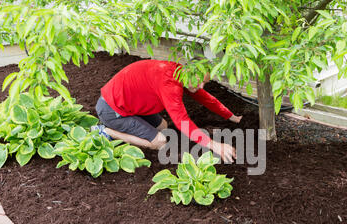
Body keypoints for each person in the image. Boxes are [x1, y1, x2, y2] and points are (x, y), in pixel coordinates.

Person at [92, 59, 242, 163]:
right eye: (200, 81)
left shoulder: (180, 73)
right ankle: (107, 131)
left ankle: (128, 126)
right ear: (189, 71)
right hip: (112, 109)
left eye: (205, 82)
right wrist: (214, 145)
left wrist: (231, 116)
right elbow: (182, 121)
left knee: (163, 126)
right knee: (160, 141)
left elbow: (206, 98)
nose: (202, 86)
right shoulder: (170, 84)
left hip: (130, 104)